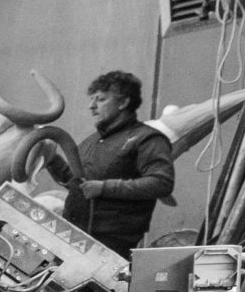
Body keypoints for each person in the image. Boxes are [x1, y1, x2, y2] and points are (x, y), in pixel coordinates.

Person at [47, 70, 174, 258]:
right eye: (92, 99)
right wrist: (51, 159)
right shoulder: (92, 141)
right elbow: (78, 184)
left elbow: (162, 183)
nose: (91, 106)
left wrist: (105, 188)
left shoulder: (147, 139)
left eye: (100, 99)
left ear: (123, 103)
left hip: (112, 243)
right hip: (72, 234)